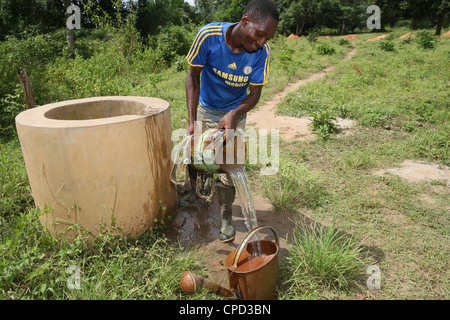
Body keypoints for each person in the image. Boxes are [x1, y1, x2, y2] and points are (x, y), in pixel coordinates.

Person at [183, 0, 279, 243]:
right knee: (198, 156)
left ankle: (226, 217)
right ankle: (197, 194)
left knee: (228, 166)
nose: (261, 43)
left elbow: (255, 94)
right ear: (245, 21)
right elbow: (193, 76)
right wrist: (192, 121)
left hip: (235, 113)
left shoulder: (260, 54)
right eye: (259, 34)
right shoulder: (208, 37)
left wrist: (234, 115)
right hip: (207, 108)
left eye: (267, 38)